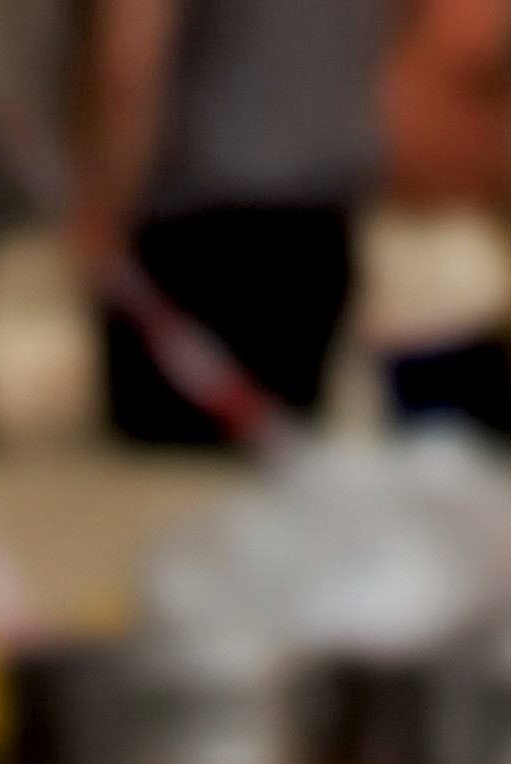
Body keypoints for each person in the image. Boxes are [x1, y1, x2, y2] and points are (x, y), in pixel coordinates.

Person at [73, 0, 397, 442]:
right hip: (322, 220)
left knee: (167, 481)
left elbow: (129, 61)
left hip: (199, 233)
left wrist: (102, 208)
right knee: (282, 470)